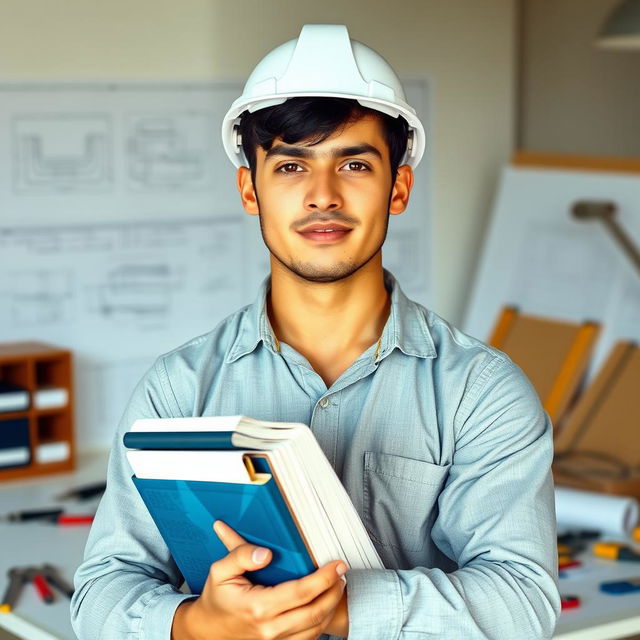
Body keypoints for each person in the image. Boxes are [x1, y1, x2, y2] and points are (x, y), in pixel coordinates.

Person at [72, 24, 560, 640]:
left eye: (354, 163)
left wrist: (337, 605)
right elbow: (100, 594)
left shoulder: (482, 392)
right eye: (291, 166)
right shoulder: (176, 390)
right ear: (251, 189)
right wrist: (195, 624)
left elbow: (522, 604)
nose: (322, 195)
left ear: (398, 187)